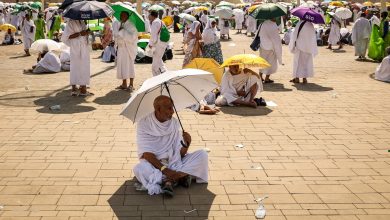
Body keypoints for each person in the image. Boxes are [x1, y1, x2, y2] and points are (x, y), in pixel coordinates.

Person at [133, 95, 209, 197]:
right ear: (158, 109)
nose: (172, 111)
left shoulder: (174, 123)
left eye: (172, 107)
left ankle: (169, 180)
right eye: (169, 108)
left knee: (202, 155)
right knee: (139, 169)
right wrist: (165, 170)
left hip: (174, 162)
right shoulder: (144, 123)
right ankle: (180, 177)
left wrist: (187, 144)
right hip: (155, 165)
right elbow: (147, 154)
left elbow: (180, 154)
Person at [61, 19, 92, 96]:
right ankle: (76, 89)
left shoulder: (82, 21)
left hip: (84, 47)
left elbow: (83, 34)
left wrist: (87, 32)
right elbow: (65, 37)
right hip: (75, 48)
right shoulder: (71, 23)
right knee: (75, 67)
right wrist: (80, 34)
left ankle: (82, 87)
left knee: (84, 67)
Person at [113, 11, 138, 91]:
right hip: (121, 49)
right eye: (120, 15)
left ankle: (131, 84)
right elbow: (116, 35)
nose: (121, 17)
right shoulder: (120, 24)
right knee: (122, 66)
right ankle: (124, 83)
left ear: (127, 16)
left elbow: (133, 37)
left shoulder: (131, 25)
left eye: (123, 15)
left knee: (129, 66)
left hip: (128, 49)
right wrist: (120, 31)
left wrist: (122, 31)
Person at [289, 19, 318, 84]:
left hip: (299, 47)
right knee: (306, 63)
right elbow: (313, 37)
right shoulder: (310, 25)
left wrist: (292, 46)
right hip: (308, 48)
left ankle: (297, 78)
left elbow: (294, 35)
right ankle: (304, 79)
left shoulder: (299, 24)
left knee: (298, 63)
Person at [258, 19, 283, 83]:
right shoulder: (273, 25)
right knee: (270, 63)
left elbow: (258, 34)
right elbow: (275, 38)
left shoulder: (262, 24)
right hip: (271, 48)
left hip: (263, 46)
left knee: (262, 61)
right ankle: (267, 78)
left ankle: (260, 76)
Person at [148, 10, 168, 76]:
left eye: (149, 14)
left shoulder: (155, 22)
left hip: (158, 44)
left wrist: (150, 44)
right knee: (159, 61)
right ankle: (165, 75)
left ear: (152, 15)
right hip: (163, 43)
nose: (148, 16)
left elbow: (153, 35)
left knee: (155, 64)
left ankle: (157, 78)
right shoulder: (160, 21)